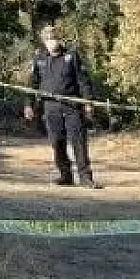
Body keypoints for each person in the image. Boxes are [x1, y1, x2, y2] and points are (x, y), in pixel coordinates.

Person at [22, 22, 101, 188]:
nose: (52, 41)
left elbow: (83, 81)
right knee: (57, 141)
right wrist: (28, 105)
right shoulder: (39, 59)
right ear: (44, 41)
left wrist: (88, 103)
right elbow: (32, 83)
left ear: (60, 39)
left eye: (54, 38)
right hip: (50, 107)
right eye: (48, 39)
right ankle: (65, 175)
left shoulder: (71, 56)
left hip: (72, 105)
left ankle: (85, 178)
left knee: (78, 141)